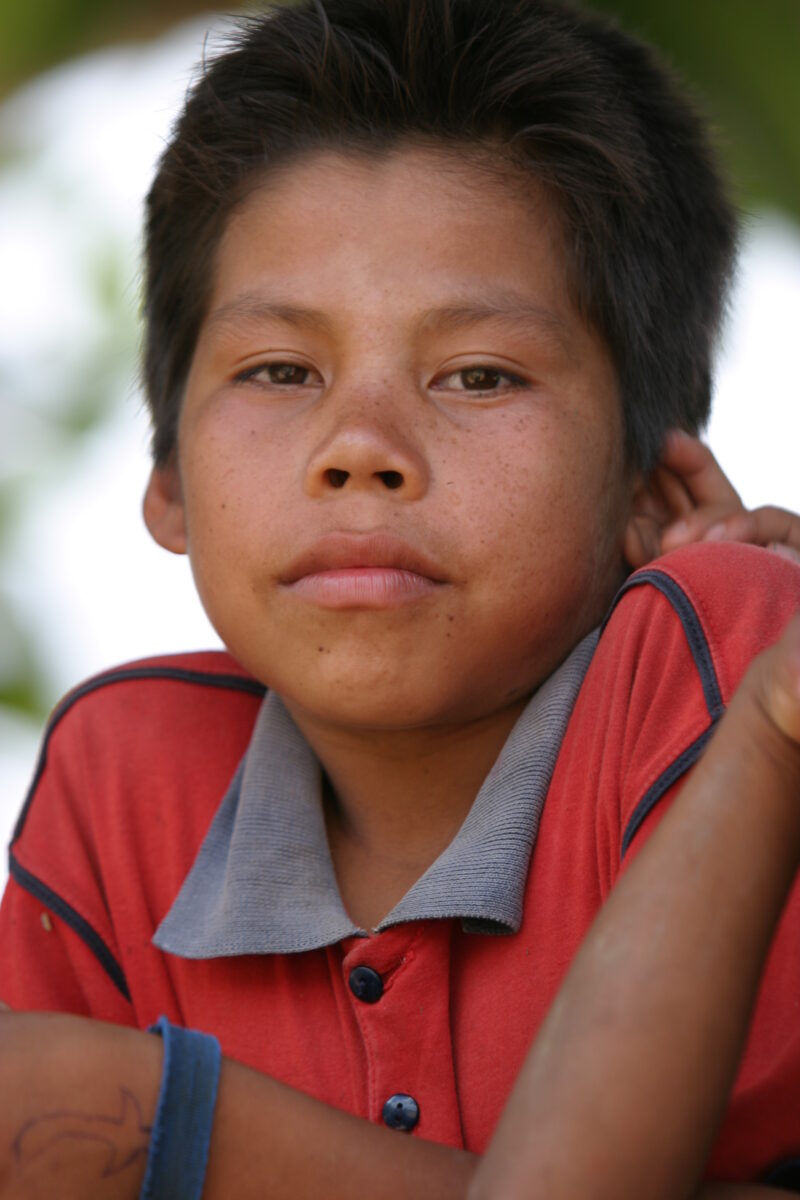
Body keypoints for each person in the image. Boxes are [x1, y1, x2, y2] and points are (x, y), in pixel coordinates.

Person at [1, 0, 800, 1196]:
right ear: (169, 484)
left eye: (477, 375)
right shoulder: (128, 785)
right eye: (280, 370)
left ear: (651, 490)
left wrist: (163, 1127)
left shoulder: (717, 671)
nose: (360, 448)